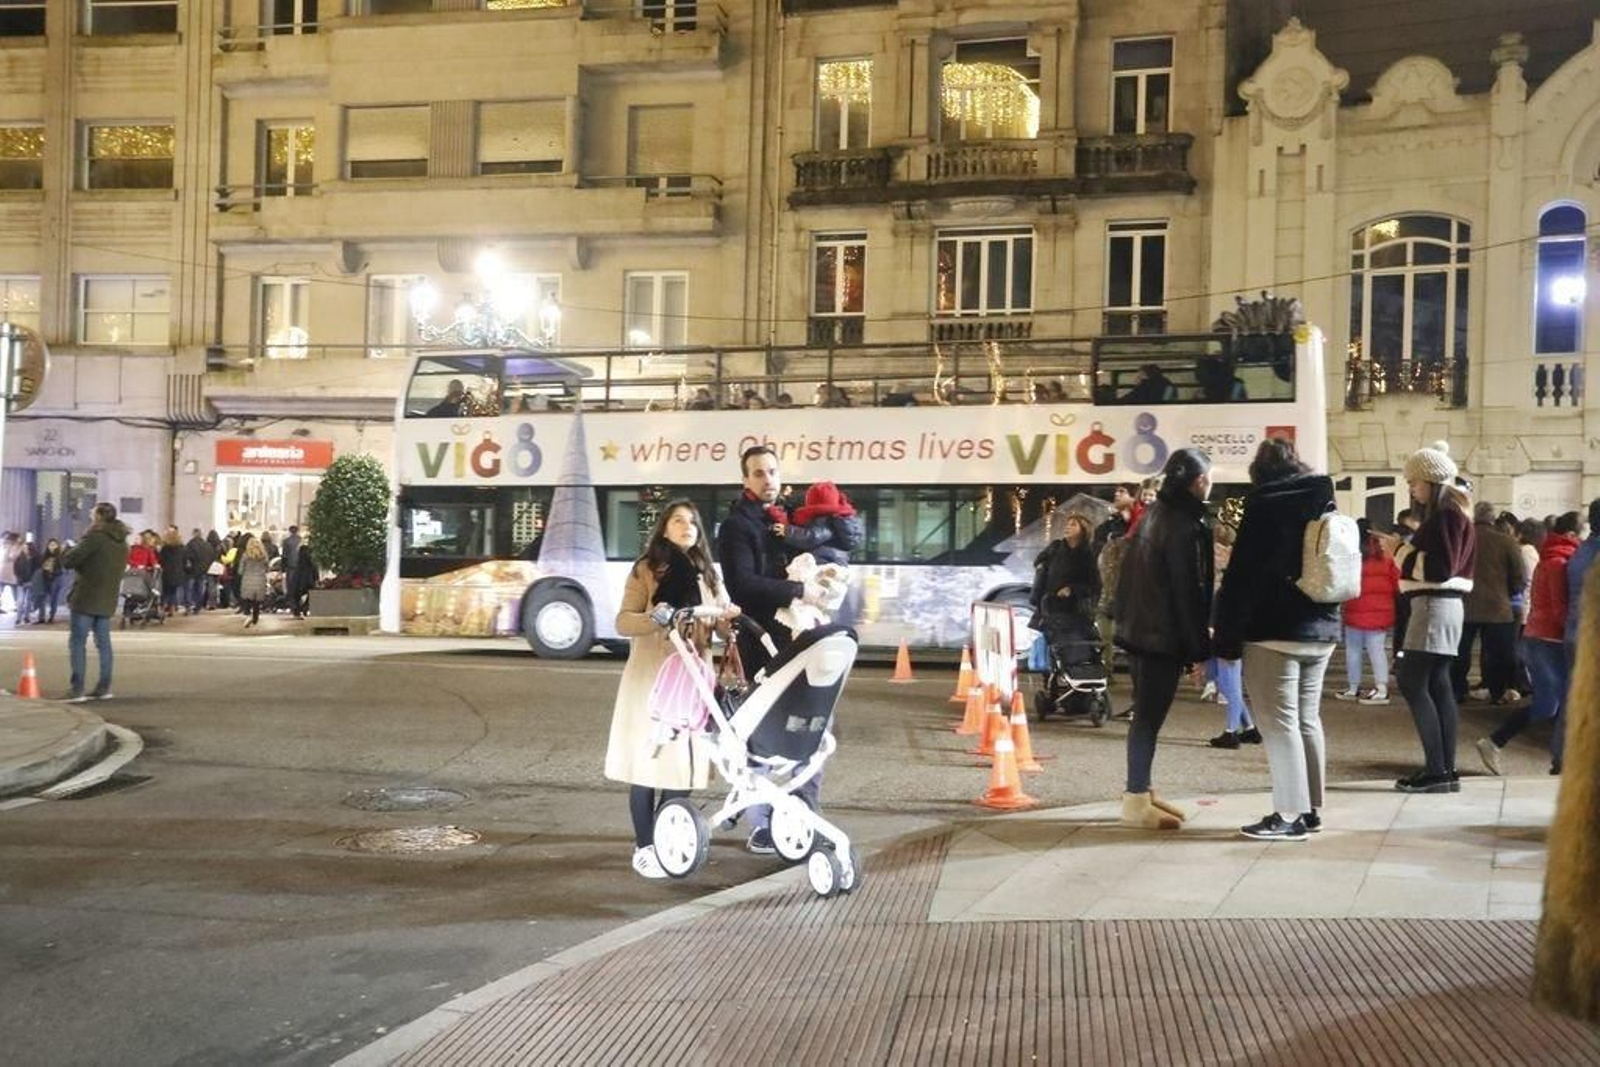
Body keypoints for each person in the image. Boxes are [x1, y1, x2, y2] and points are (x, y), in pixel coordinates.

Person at [1213, 438, 1341, 841]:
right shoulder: (1323, 499)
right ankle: (1311, 809)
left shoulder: (1264, 505)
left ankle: (1288, 815)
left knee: (1278, 724)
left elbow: (1242, 578)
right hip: (1321, 626)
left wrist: (1227, 639)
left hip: (1274, 630)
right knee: (1306, 720)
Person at [604, 501, 740, 879]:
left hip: (694, 682)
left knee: (680, 768)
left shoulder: (708, 574)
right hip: (653, 680)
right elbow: (622, 621)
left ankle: (668, 841)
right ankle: (644, 847)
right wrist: (654, 617)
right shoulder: (647, 569)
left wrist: (729, 622)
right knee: (648, 764)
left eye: (692, 521)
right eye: (677, 521)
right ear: (664, 529)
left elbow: (722, 619)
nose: (686, 526)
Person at [716, 444, 828, 853]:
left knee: (812, 728)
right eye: (759, 473)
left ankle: (803, 814)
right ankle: (761, 822)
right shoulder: (735, 527)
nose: (768, 480)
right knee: (762, 734)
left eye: (773, 472)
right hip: (760, 641)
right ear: (745, 479)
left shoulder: (786, 520)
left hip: (798, 639)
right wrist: (800, 589)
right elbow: (742, 585)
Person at [1114, 448, 1214, 830]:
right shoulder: (1183, 525)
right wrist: (1198, 652)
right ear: (1199, 481)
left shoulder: (1154, 515)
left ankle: (1141, 791)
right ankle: (1136, 799)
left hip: (1139, 631)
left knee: (1145, 715)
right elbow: (1188, 592)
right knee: (1148, 720)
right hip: (1160, 638)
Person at [1377, 442, 1476, 794]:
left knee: (1414, 681)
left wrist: (1398, 550)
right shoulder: (1456, 513)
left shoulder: (1446, 515)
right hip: (1444, 606)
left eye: (1415, 481)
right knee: (1438, 683)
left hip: (1433, 605)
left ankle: (1437, 769)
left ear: (1433, 481)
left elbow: (1439, 567)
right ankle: (1444, 769)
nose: (1411, 487)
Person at [1477, 510, 1581, 777]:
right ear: (1571, 535)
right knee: (1550, 705)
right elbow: (1559, 609)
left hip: (1541, 638)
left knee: (1557, 703)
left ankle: (1558, 759)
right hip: (1547, 640)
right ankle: (1495, 742)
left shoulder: (1551, 557)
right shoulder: (1559, 563)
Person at [1454, 501, 1526, 706]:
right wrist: (1510, 592)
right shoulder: (1506, 542)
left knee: (1460, 652)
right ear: (1493, 518)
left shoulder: (1461, 539)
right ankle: (1496, 692)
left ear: (1473, 518)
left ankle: (1457, 690)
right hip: (1498, 606)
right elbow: (1519, 576)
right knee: (1496, 654)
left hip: (1464, 604)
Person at [61, 502, 130, 701]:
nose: (91, 515)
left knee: (77, 642)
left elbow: (69, 560)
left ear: (99, 516)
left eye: (93, 512)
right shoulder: (122, 542)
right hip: (107, 598)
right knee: (104, 643)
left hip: (86, 596)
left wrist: (67, 550)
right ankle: (104, 687)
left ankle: (77, 688)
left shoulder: (95, 537)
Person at [1205, 519, 1260, 749]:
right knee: (1226, 679)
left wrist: (1212, 623)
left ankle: (1231, 731)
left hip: (1225, 626)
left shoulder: (1218, 564)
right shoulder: (1240, 563)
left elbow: (1217, 596)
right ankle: (1248, 728)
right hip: (1228, 624)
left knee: (1228, 679)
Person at [1338, 519, 1400, 704]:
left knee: (1353, 650)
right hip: (1380, 612)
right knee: (1377, 651)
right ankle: (1381, 689)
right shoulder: (1387, 556)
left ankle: (1353, 688)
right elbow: (1397, 582)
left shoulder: (1351, 556)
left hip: (1354, 609)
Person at [776, 481, 865, 567]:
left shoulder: (826, 520)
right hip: (834, 562)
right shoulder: (839, 520)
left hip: (823, 563)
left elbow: (812, 537)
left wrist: (787, 531)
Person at [28, 538, 63, 624]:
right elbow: (40, 566)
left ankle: (52, 617)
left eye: (54, 545)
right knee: (42, 597)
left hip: (56, 579)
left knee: (53, 599)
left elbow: (62, 570)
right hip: (45, 578)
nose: (52, 547)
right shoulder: (44, 556)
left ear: (57, 546)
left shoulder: (60, 556)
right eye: (50, 545)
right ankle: (41, 617)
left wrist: (52, 571)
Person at [238, 536, 269, 627]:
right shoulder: (264, 556)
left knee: (247, 599)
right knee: (257, 602)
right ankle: (255, 618)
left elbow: (240, 570)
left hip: (248, 579)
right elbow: (267, 568)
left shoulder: (245, 555)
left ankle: (248, 615)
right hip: (260, 580)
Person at [158, 527, 188, 617]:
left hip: (167, 573)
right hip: (178, 573)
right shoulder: (182, 548)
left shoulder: (165, 548)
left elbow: (161, 560)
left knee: (165, 592)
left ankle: (162, 608)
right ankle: (171, 609)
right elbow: (185, 560)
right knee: (173, 592)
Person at [184, 528, 214, 613]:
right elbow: (212, 556)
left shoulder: (190, 544)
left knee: (189, 589)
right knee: (200, 589)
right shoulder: (207, 545)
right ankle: (198, 606)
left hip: (191, 571)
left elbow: (186, 557)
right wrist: (206, 567)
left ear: (194, 534)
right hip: (203, 571)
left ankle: (188, 606)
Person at [281, 525, 303, 616]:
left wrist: (282, 569)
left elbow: (284, 556)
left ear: (289, 531)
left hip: (291, 568)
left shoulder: (286, 542)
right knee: (300, 587)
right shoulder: (302, 541)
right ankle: (300, 606)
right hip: (301, 567)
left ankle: (293, 607)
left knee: (291, 588)